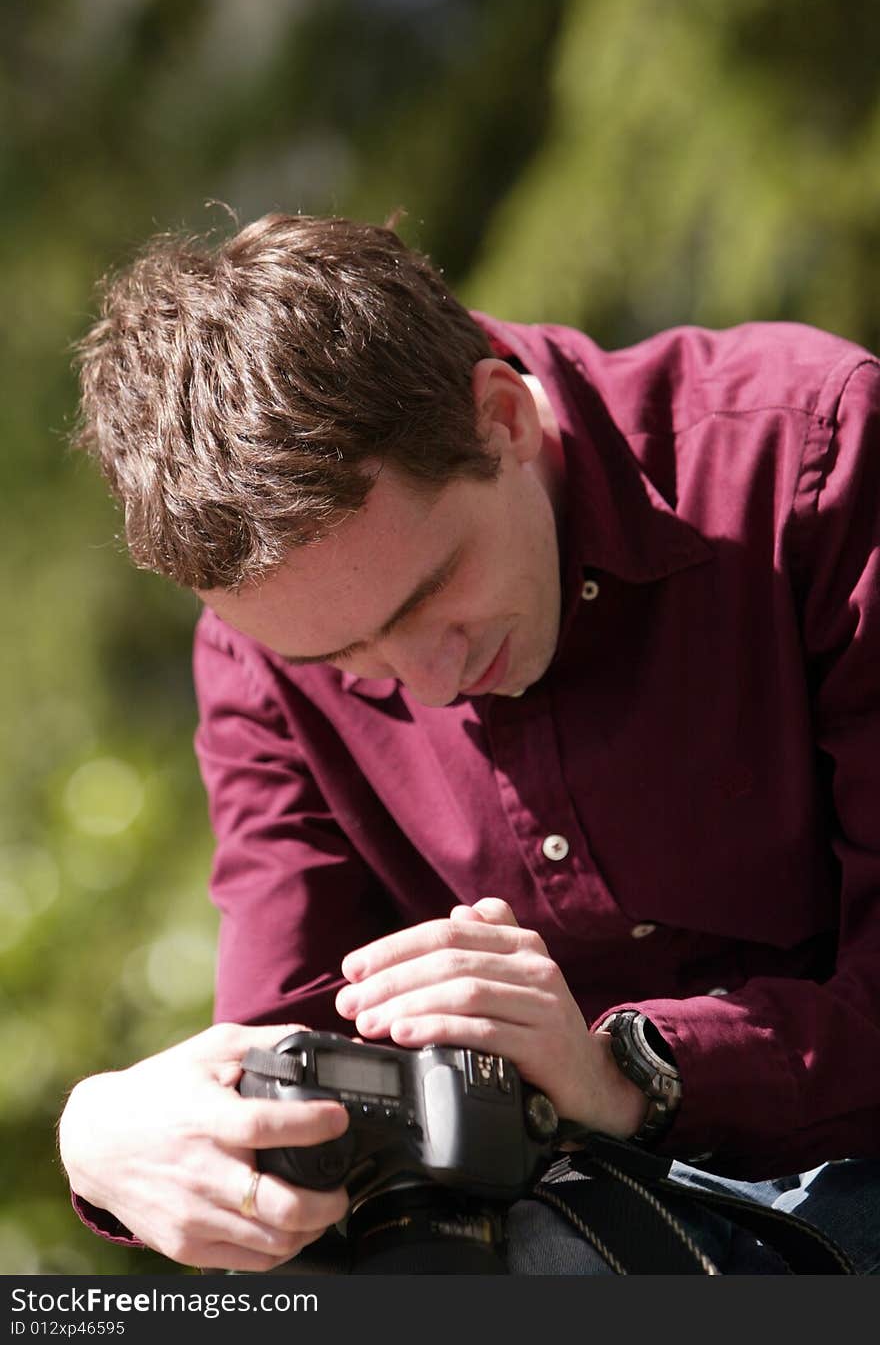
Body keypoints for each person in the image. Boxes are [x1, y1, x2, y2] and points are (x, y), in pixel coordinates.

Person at [58, 211, 880, 1275]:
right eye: (346, 660)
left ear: (500, 418)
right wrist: (101, 1134)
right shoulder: (263, 656)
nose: (431, 685)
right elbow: (293, 1047)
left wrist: (623, 1071)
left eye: (432, 595)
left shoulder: (811, 455)